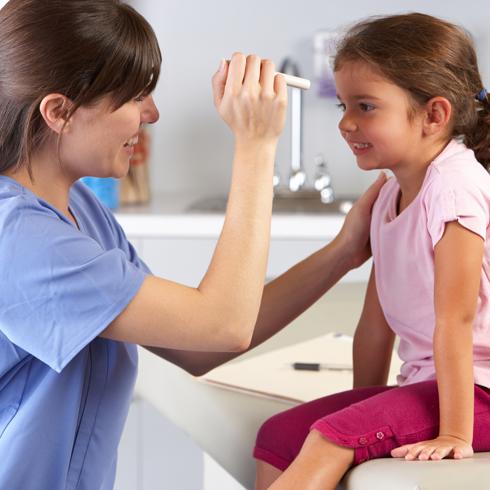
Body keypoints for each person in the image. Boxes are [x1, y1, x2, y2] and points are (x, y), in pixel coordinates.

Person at [0, 0, 386, 488]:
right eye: (135, 96)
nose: (152, 113)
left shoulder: (82, 213)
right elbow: (222, 325)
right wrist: (255, 144)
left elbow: (200, 343)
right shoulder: (21, 240)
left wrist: (344, 251)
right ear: (59, 112)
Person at [254, 12, 490, 490]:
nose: (345, 122)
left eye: (365, 106)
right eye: (344, 104)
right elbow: (374, 324)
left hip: (478, 393)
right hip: (428, 390)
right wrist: (365, 400)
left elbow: (456, 319)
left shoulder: (455, 188)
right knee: (277, 437)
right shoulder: (387, 197)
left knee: (330, 438)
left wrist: (453, 434)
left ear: (434, 115)